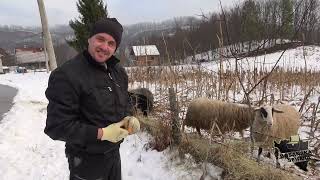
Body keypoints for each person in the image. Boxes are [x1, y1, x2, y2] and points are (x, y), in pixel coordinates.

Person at [44, 17, 140, 180]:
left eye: (111, 43)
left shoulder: (118, 72)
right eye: (100, 39)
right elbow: (56, 126)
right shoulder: (67, 75)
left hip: (113, 155)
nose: (104, 47)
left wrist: (129, 117)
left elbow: (123, 102)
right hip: (86, 162)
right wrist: (102, 133)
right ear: (89, 39)